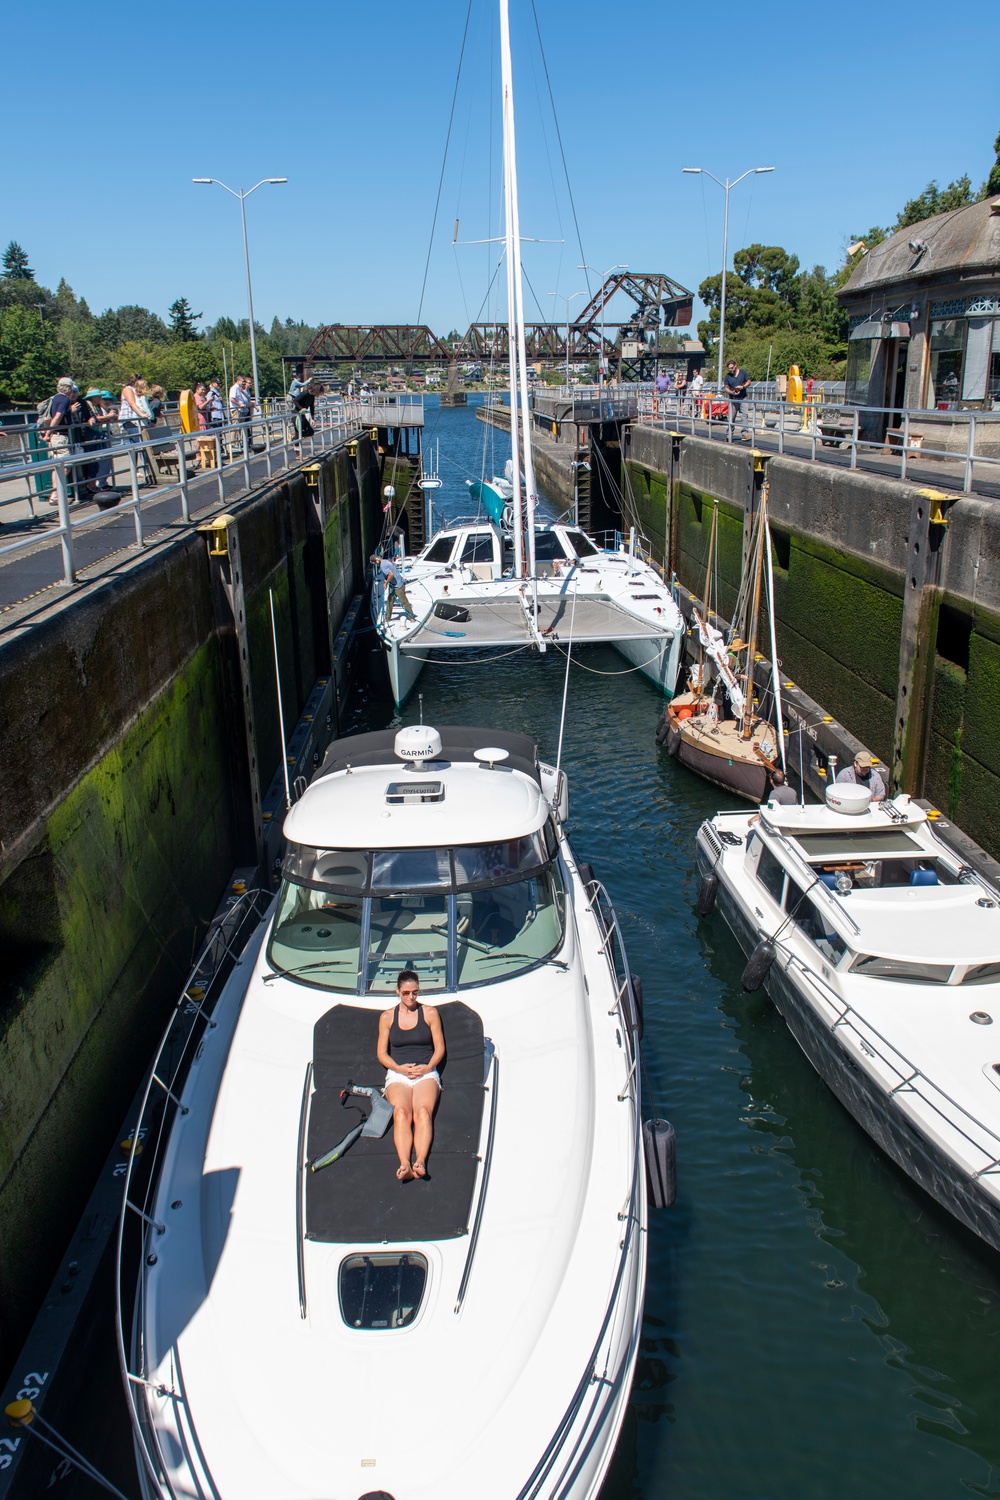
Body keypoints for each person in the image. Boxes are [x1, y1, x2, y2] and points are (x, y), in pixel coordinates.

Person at [377, 970, 445, 1182]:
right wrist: (399, 1069)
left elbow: (439, 1048)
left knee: (423, 1112)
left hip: (425, 1072)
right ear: (398, 991)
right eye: (406, 993)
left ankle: (421, 1161)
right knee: (401, 1114)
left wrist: (428, 1067)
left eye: (414, 993)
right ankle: (405, 1163)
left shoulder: (430, 1013)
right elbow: (381, 1053)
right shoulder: (388, 1017)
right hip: (399, 1074)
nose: (410, 997)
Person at [372, 552, 416, 622]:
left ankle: (411, 616)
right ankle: (387, 617)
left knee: (404, 602)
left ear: (376, 561)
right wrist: (386, 579)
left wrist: (386, 583)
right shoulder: (385, 561)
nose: (376, 565)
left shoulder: (382, 566)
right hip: (395, 585)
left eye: (375, 563)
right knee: (390, 600)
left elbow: (391, 574)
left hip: (398, 586)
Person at [723, 360, 751, 437]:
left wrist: (743, 387)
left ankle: (744, 433)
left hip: (743, 397)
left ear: (735, 366)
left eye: (732, 368)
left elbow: (749, 381)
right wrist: (731, 392)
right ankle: (729, 433)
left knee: (744, 415)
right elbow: (726, 388)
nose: (731, 369)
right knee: (731, 417)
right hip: (733, 398)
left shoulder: (743, 373)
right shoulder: (728, 376)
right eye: (729, 368)